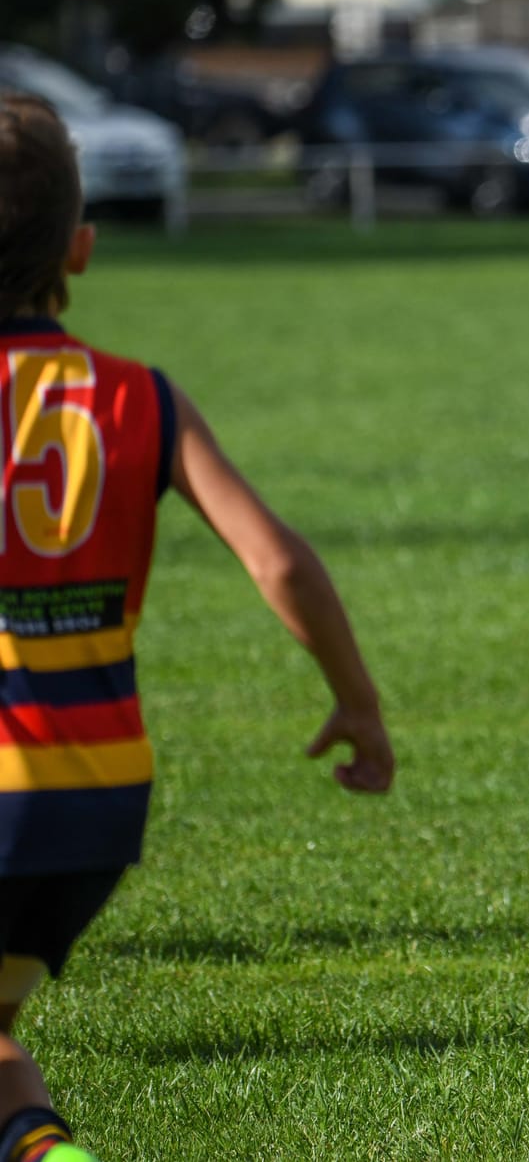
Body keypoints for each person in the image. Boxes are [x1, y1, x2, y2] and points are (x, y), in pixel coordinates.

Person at [0, 93, 394, 1162]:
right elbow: (280, 560)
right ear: (81, 248)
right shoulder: (141, 398)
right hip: (96, 796)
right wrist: (358, 703)